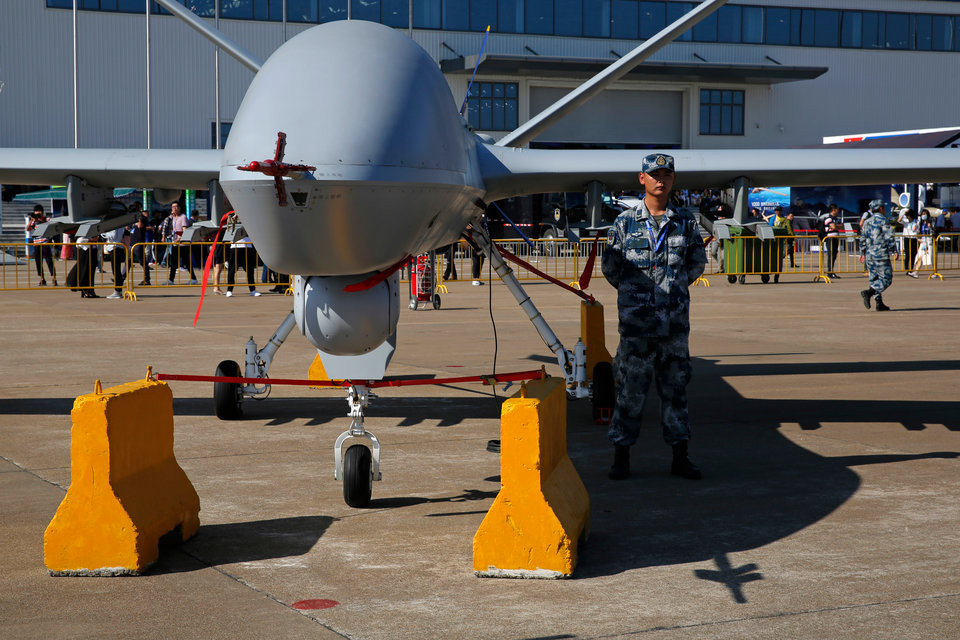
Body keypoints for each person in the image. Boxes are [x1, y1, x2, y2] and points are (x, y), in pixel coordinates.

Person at [600, 153, 707, 481]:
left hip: (674, 328)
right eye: (654, 174)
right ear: (641, 178)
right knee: (629, 393)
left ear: (674, 180)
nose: (661, 180)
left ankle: (680, 457)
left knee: (675, 392)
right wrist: (639, 297)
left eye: (667, 174)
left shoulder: (686, 222)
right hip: (638, 328)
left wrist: (670, 292)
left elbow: (696, 264)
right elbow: (611, 268)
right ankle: (621, 457)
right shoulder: (624, 223)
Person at [859, 200, 899, 312]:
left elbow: (862, 238)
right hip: (881, 255)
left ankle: (879, 303)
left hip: (869, 256)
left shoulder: (866, 222)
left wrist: (862, 253)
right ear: (881, 208)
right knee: (886, 278)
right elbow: (889, 237)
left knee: (874, 279)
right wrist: (894, 250)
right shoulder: (883, 221)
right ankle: (869, 293)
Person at [165, 202, 197, 285]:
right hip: (176, 243)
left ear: (179, 208)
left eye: (176, 207)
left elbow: (184, 230)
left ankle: (172, 280)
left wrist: (179, 239)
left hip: (182, 243)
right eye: (172, 207)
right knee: (176, 262)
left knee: (183, 262)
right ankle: (172, 280)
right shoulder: (173, 218)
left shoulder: (183, 217)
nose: (174, 208)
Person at [26, 205, 57, 286]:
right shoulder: (33, 221)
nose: (38, 213)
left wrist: (40, 219)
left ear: (42, 212)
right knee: (38, 262)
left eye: (39, 211)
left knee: (49, 261)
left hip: (45, 243)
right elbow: (28, 229)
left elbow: (49, 225)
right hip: (36, 243)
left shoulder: (46, 219)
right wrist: (32, 220)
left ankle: (54, 278)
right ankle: (42, 279)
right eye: (36, 212)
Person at [101, 224, 127, 299]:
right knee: (116, 271)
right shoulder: (119, 224)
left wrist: (104, 234)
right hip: (116, 246)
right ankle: (118, 290)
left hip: (115, 246)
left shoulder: (115, 224)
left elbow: (113, 236)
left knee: (116, 271)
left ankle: (117, 291)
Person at [908, 210, 933, 277]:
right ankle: (916, 272)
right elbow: (921, 233)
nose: (923, 215)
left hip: (929, 242)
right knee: (919, 257)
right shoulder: (922, 223)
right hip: (923, 242)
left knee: (931, 258)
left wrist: (930, 227)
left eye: (924, 214)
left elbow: (932, 232)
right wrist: (919, 238)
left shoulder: (930, 223)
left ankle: (934, 272)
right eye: (922, 214)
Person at [822, 204, 841, 279]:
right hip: (830, 239)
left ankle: (831, 271)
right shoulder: (828, 218)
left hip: (836, 238)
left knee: (834, 255)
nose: (838, 211)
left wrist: (835, 226)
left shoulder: (836, 218)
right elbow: (834, 226)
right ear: (834, 210)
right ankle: (829, 272)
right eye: (837, 209)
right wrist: (835, 226)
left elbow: (841, 226)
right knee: (831, 255)